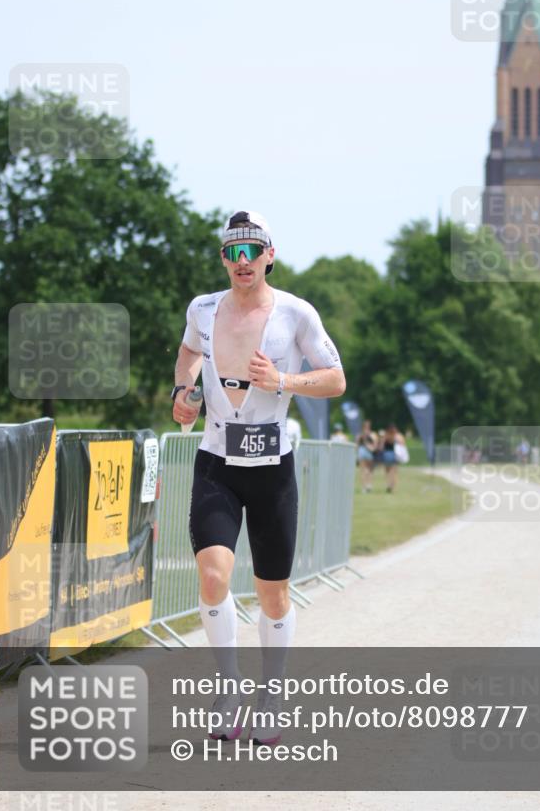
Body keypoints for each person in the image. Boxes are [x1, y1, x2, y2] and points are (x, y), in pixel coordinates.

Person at [172, 210, 345, 743]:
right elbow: (187, 354)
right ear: (224, 258)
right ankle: (228, 689)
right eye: (232, 251)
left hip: (272, 471)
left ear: (270, 254)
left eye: (253, 250)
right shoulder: (203, 309)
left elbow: (336, 379)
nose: (242, 261)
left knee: (273, 595)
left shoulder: (296, 313)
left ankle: (271, 693)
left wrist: (284, 379)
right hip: (217, 465)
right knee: (213, 577)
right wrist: (184, 393)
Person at [378, 423, 407, 493]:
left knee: (387, 472)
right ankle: (392, 486)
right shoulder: (397, 436)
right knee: (394, 472)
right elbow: (403, 444)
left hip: (386, 455)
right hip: (395, 455)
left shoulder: (385, 436)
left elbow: (381, 447)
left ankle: (389, 485)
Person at [356, 419, 378, 492]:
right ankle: (368, 485)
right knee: (369, 470)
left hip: (362, 451)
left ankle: (365, 487)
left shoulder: (360, 435)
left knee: (364, 470)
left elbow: (357, 445)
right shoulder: (372, 434)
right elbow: (375, 444)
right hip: (368, 452)